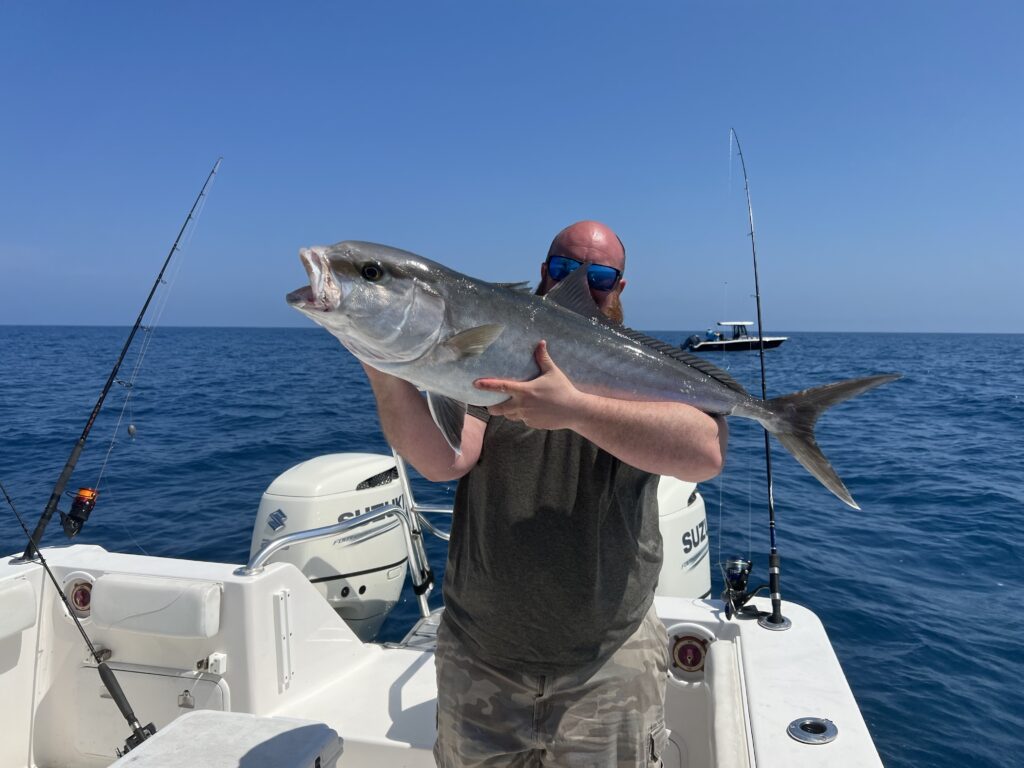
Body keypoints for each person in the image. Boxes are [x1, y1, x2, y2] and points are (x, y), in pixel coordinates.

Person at [359, 220, 727, 767]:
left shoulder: (640, 370)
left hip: (608, 661)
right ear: (543, 275)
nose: (582, 283)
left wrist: (576, 409)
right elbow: (444, 460)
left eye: (600, 275)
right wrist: (379, 352)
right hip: (480, 655)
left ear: (620, 288)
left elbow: (706, 452)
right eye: (564, 269)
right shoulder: (496, 355)